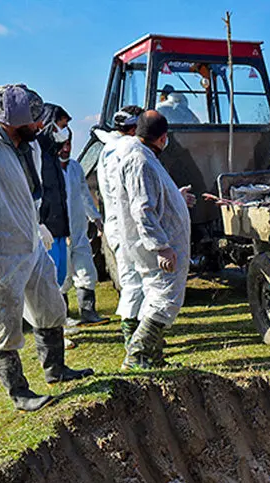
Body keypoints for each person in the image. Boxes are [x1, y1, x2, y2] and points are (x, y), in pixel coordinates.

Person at [0, 84, 93, 412]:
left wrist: (38, 227)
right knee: (1, 320)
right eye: (35, 120)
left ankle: (56, 369)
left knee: (51, 305)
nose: (41, 125)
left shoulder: (26, 146)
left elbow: (29, 193)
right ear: (14, 120)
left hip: (30, 244)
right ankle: (19, 392)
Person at [115, 110, 192, 369]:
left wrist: (176, 198)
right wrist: (161, 247)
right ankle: (137, 355)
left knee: (157, 295)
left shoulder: (146, 156)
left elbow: (153, 197)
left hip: (159, 242)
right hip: (155, 245)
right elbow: (143, 209)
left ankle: (153, 357)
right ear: (162, 138)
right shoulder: (140, 161)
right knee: (164, 297)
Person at [97, 105, 144, 344]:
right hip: (126, 226)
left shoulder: (108, 149)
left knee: (136, 281)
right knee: (133, 281)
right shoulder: (122, 152)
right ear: (134, 127)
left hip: (121, 224)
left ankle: (140, 332)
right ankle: (133, 338)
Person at [57, 135, 106, 324]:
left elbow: (85, 195)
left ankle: (88, 312)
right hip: (58, 234)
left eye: (69, 143)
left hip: (79, 230)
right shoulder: (47, 169)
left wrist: (95, 218)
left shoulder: (75, 167)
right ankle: (63, 316)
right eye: (63, 144)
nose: (66, 148)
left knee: (86, 270)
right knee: (62, 275)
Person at [37, 104, 70, 291]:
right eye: (61, 125)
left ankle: (57, 317)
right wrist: (40, 223)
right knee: (49, 275)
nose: (64, 131)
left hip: (58, 227)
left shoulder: (52, 155)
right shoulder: (36, 154)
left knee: (60, 275)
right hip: (46, 227)